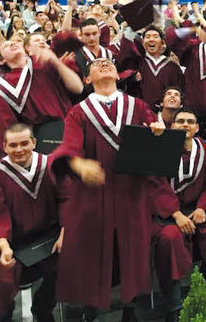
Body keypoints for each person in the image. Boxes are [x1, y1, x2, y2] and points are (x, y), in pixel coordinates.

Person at [49, 58, 174, 319]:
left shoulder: (137, 106)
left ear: (118, 74)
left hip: (131, 192)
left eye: (109, 63)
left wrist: (159, 133)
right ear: (86, 79)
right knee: (92, 249)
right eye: (97, 64)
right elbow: (69, 145)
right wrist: (79, 164)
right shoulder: (79, 112)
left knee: (132, 252)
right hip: (94, 193)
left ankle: (130, 308)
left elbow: (155, 151)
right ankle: (91, 305)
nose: (104, 64)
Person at [152, 108, 206, 321]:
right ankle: (174, 303)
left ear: (197, 128)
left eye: (190, 121)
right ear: (172, 126)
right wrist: (176, 214)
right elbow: (156, 185)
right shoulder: (160, 149)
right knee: (170, 239)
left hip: (196, 209)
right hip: (168, 213)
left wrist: (203, 207)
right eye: (180, 121)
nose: (185, 124)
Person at [0, 123, 62, 322]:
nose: (19, 150)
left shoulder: (51, 165)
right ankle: (4, 313)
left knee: (68, 262)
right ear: (5, 146)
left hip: (49, 236)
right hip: (14, 240)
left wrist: (64, 233)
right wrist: (4, 247)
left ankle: (44, 307)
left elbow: (67, 200)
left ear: (34, 143)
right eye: (13, 145)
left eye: (24, 143)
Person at [0, 38, 83, 150]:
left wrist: (56, 62)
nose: (13, 43)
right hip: (38, 140)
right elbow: (4, 125)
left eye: (16, 42)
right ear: (1, 61)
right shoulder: (5, 85)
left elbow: (78, 88)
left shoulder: (43, 62)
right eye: (6, 46)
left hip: (68, 128)